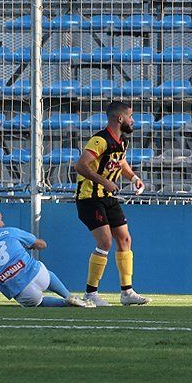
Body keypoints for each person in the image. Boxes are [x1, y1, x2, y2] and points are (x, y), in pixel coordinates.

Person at [73, 100, 149, 306]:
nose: (133, 121)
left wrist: (133, 177)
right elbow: (81, 165)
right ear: (120, 118)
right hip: (90, 198)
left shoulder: (122, 141)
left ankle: (127, 292)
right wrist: (104, 181)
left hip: (109, 198)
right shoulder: (100, 140)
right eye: (131, 117)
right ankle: (90, 293)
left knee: (125, 240)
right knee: (105, 242)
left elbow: (120, 161)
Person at [0, 206, 90, 308]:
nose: (3, 223)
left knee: (39, 303)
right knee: (46, 272)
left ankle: (65, 303)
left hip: (20, 290)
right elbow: (42, 244)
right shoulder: (10, 231)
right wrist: (32, 245)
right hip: (38, 275)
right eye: (1, 220)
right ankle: (68, 296)